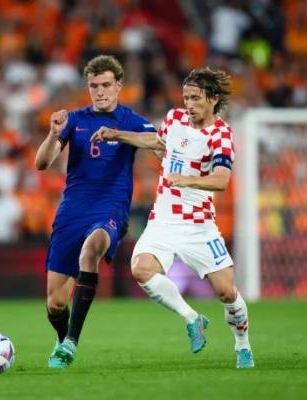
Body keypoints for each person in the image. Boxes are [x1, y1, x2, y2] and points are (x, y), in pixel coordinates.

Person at [91, 67, 254, 368]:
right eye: (186, 98)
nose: (189, 104)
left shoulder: (221, 135)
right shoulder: (174, 118)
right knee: (141, 269)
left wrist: (186, 179)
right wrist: (117, 135)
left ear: (213, 99)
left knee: (226, 292)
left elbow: (221, 180)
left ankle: (242, 345)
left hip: (199, 225)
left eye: (196, 98)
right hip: (163, 220)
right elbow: (156, 142)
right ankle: (192, 318)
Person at [34, 55, 157, 368]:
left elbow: (159, 142)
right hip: (72, 209)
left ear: (118, 85)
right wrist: (53, 133)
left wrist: (119, 135)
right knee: (55, 303)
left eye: (105, 85)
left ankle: (71, 342)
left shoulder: (130, 120)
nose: (100, 91)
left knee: (92, 249)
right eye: (94, 86)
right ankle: (62, 338)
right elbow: (42, 163)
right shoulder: (73, 120)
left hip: (111, 206)